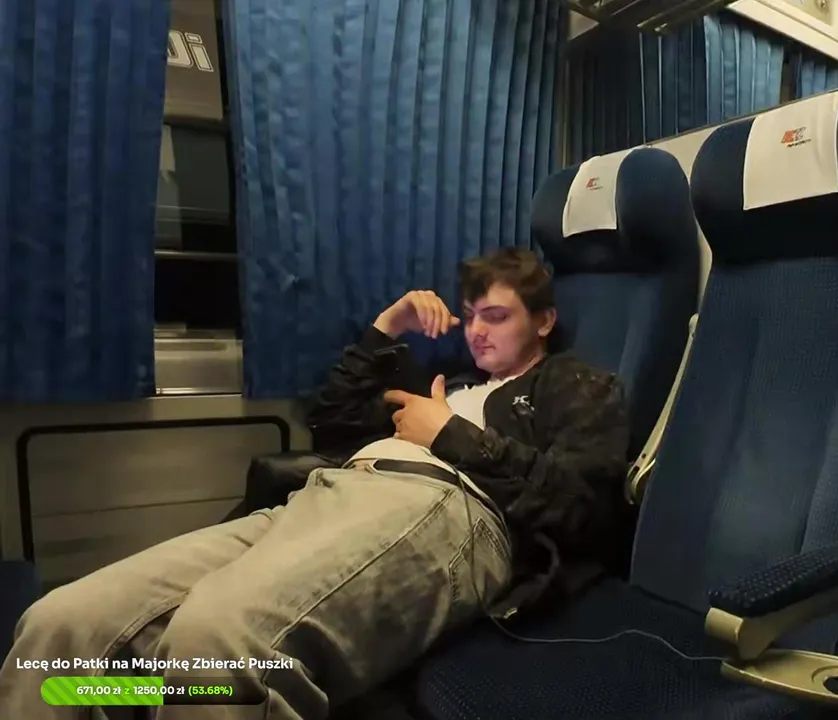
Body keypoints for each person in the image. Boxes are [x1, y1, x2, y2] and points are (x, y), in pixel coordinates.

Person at [0, 248, 630, 719]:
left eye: (496, 316)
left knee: (219, 641)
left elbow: (583, 505)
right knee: (61, 627)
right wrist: (387, 328)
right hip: (332, 493)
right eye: (470, 317)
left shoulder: (571, 384)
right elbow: (330, 419)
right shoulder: (453, 382)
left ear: (544, 321)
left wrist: (448, 435)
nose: (477, 332)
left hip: (446, 509)